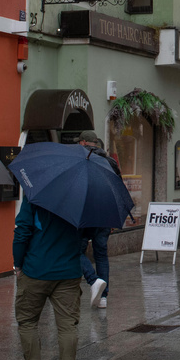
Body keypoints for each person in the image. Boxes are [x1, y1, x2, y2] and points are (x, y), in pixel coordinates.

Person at [12, 193, 84, 360]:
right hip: (69, 270)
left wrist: (18, 263)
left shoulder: (35, 193)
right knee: (68, 325)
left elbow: (22, 231)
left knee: (27, 320)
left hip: (36, 269)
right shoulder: (80, 196)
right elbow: (88, 233)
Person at [76, 130, 120, 309]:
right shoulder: (110, 162)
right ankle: (103, 296)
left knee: (75, 248)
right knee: (101, 254)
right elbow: (118, 189)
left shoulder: (82, 159)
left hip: (86, 212)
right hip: (105, 213)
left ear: (83, 143)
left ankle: (93, 280)